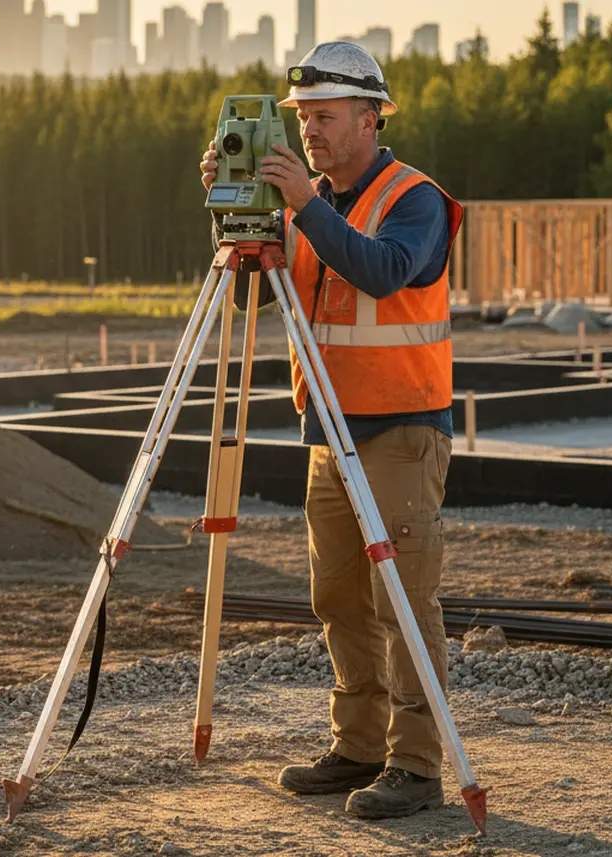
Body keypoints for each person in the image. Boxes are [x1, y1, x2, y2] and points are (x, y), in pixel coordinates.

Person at [199, 41, 463, 820]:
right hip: (328, 431)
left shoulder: (415, 200)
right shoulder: (306, 204)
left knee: (403, 602)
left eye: (322, 116)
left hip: (400, 431)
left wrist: (303, 207)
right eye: (301, 118)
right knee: (339, 598)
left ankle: (415, 766)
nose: (307, 131)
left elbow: (384, 271)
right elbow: (252, 303)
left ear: (370, 116)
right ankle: (358, 746)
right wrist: (234, 214)